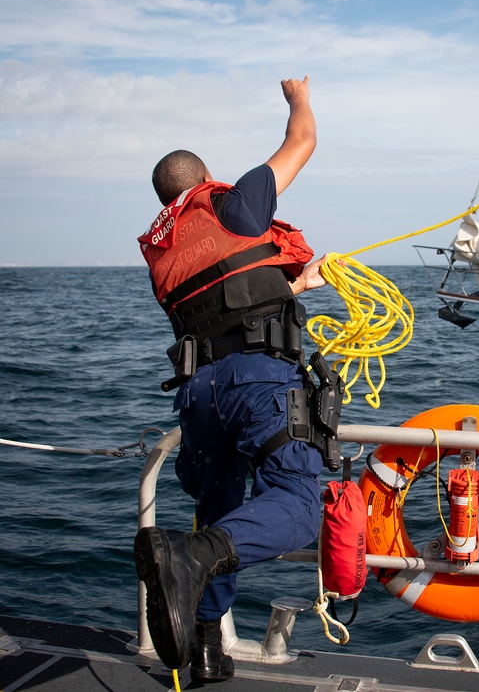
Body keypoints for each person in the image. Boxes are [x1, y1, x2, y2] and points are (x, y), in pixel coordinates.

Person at [134, 76, 330, 682]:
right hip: (257, 382)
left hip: (200, 396)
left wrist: (295, 285)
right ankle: (191, 558)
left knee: (220, 506)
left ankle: (205, 648)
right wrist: (298, 94)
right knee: (299, 507)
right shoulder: (233, 203)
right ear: (205, 179)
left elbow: (224, 306)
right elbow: (304, 139)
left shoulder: (163, 253)